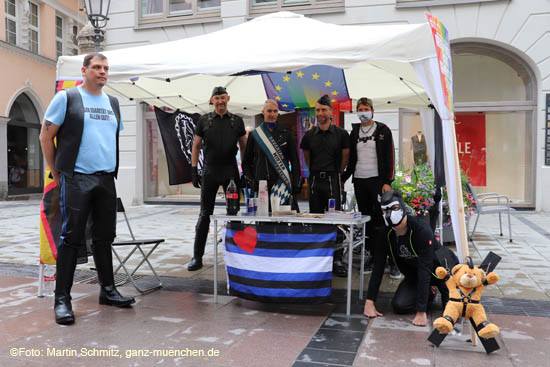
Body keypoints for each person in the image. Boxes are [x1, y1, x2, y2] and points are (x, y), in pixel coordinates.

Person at [39, 53, 135, 325]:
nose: (102, 72)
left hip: (105, 179)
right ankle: (62, 301)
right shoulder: (67, 98)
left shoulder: (113, 103)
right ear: (84, 70)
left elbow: (108, 139)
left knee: (105, 237)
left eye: (105, 68)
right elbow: (45, 136)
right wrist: (57, 172)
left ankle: (108, 290)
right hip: (77, 178)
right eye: (96, 67)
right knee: (71, 237)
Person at [363, 190, 452, 326]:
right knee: (400, 305)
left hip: (441, 271)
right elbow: (378, 266)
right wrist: (370, 301)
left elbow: (426, 268)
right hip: (415, 276)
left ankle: (439, 291)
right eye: (384, 210)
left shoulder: (421, 230)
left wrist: (421, 312)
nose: (389, 214)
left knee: (453, 309)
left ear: (402, 208)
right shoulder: (385, 234)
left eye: (394, 208)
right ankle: (429, 291)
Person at [189, 86, 247, 271]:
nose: (220, 101)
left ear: (228, 98)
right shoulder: (204, 120)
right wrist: (193, 170)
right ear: (212, 100)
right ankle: (197, 257)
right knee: (205, 214)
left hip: (231, 171)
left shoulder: (237, 121)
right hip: (210, 171)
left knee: (234, 213)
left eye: (223, 98)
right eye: (217, 98)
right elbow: (196, 145)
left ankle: (236, 257)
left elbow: (244, 146)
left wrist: (245, 171)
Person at [343, 97, 399, 278]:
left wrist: (387, 182)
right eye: (359, 108)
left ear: (372, 110)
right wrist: (342, 178)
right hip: (360, 181)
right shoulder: (354, 132)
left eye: (365, 108)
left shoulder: (383, 130)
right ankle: (374, 257)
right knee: (367, 221)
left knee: (383, 221)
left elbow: (390, 157)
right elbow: (351, 160)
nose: (362, 111)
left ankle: (392, 260)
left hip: (378, 182)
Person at [300, 95, 350, 276]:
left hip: (332, 179)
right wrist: (314, 171)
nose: (320, 113)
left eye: (324, 110)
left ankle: (337, 259)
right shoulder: (309, 135)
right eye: (318, 110)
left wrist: (339, 174)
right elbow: (306, 157)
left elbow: (345, 156)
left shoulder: (341, 134)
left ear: (330, 112)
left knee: (335, 221)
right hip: (314, 180)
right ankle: (318, 258)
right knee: (315, 219)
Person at [242, 99, 301, 211]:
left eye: (275, 111)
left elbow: (295, 160)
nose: (272, 114)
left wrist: (297, 181)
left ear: (278, 113)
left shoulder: (286, 133)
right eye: (269, 111)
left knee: (282, 220)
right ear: (263, 112)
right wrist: (252, 180)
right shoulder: (255, 135)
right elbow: (246, 162)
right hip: (261, 184)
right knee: (263, 221)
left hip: (281, 182)